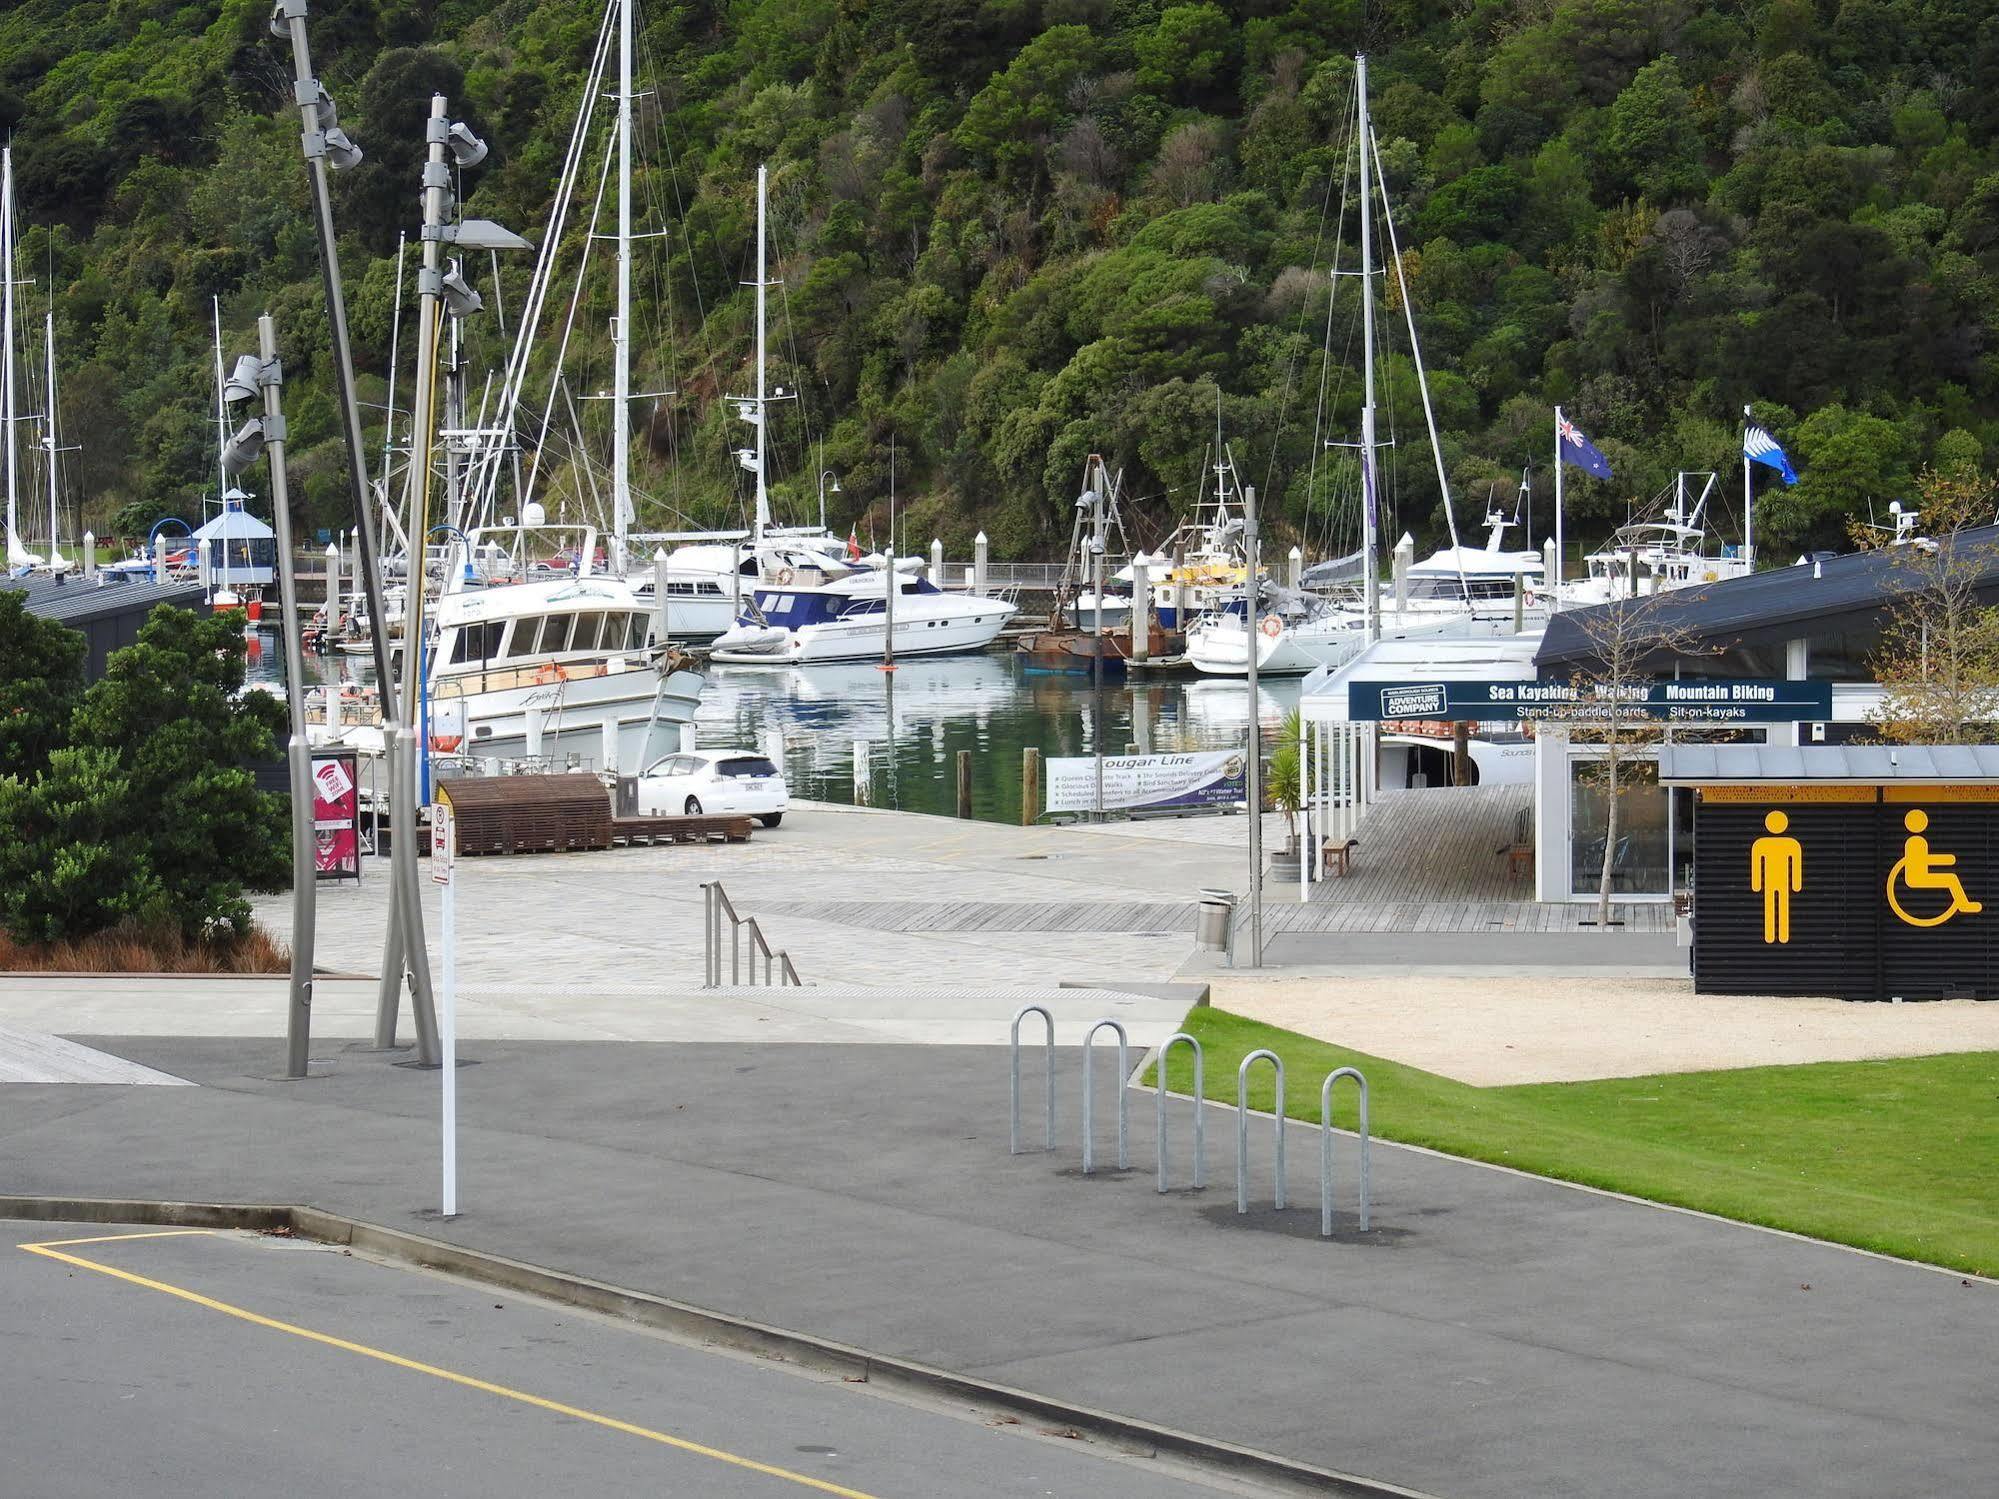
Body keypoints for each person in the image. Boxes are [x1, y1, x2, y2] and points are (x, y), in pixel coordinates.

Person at [1749, 809, 1802, 945]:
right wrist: (1796, 884)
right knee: (1782, 906)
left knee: (1771, 906)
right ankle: (1782, 935)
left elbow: (1756, 865)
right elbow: (1796, 864)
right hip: (1782, 881)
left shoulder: (1761, 844)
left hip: (1770, 881)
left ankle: (1771, 935)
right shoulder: (1791, 843)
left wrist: (1756, 885)